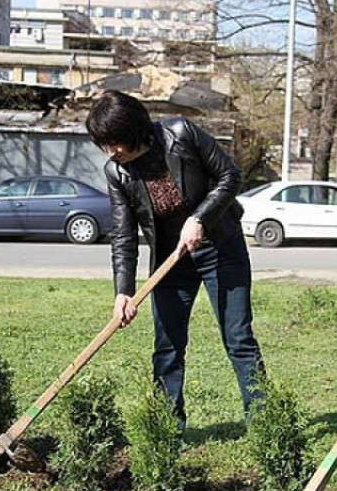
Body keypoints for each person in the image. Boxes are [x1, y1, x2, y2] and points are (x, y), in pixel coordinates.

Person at [85, 90, 265, 431]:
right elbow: (124, 235)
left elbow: (231, 176)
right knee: (167, 346)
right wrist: (123, 291)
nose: (112, 152)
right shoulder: (117, 173)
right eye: (105, 145)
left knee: (238, 338)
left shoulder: (181, 134)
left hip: (220, 249)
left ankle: (264, 421)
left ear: (132, 127)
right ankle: (169, 428)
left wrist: (200, 219)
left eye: (115, 142)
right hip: (171, 262)